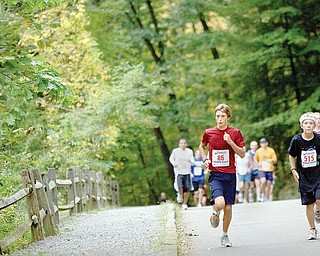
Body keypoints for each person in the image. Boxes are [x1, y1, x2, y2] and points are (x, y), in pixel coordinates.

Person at [199, 103, 246, 247]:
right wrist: (205, 159)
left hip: (230, 174)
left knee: (228, 208)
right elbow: (202, 146)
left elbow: (242, 153)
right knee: (220, 203)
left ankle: (224, 235)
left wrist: (230, 142)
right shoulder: (209, 132)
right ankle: (215, 211)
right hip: (216, 174)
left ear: (228, 117)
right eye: (218, 116)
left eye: (223, 116)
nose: (220, 119)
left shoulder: (235, 132)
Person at [288, 112, 320, 240]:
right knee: (308, 204)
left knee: (318, 199)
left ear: (314, 125)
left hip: (318, 174)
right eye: (306, 123)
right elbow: (292, 155)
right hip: (304, 176)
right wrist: (293, 169)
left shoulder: (318, 139)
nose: (308, 125)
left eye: (311, 123)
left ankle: (318, 210)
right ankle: (312, 229)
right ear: (301, 125)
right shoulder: (297, 140)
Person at [169, 138, 194, 210]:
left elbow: (193, 160)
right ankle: (180, 195)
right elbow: (171, 159)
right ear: (179, 144)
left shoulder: (189, 151)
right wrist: (174, 164)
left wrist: (190, 161)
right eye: (181, 143)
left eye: (184, 143)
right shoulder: (175, 151)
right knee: (180, 186)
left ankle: (184, 203)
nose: (183, 144)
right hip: (179, 172)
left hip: (187, 172)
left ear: (186, 144)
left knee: (187, 188)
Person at [254, 138, 277, 202]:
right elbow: (255, 159)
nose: (263, 144)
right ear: (260, 144)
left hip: (269, 169)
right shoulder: (258, 151)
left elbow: (275, 160)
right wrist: (258, 164)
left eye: (265, 143)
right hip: (262, 169)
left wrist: (271, 160)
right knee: (263, 181)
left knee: (269, 184)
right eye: (262, 143)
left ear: (267, 143)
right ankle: (262, 194)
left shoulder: (271, 150)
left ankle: (266, 196)